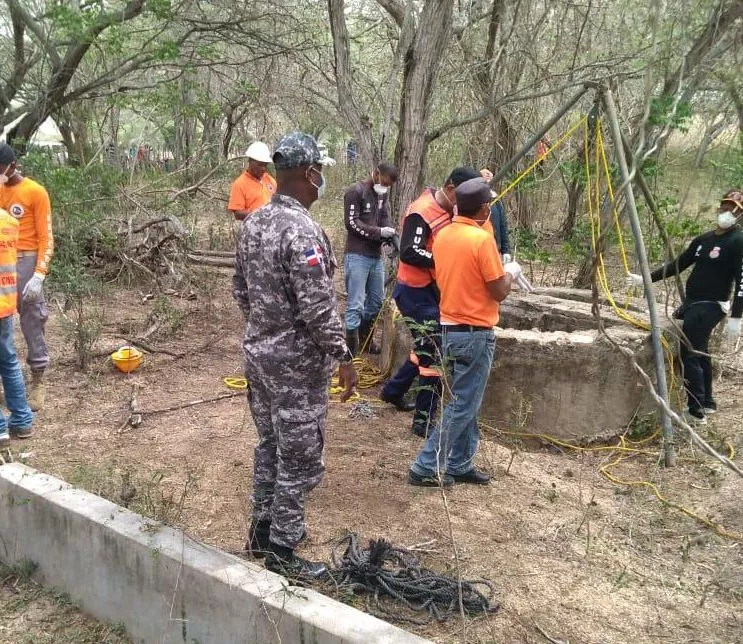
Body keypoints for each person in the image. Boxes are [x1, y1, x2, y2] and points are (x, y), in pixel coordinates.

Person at [232, 131, 357, 579]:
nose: (321, 179)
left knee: (270, 445)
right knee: (301, 456)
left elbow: (241, 293)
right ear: (308, 174)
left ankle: (262, 531)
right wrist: (343, 356)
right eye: (320, 171)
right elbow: (318, 307)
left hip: (259, 358)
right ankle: (282, 552)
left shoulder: (253, 224)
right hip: (296, 369)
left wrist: (267, 330)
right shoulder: (303, 230)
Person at [409, 178, 521, 487]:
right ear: (484, 208)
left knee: (465, 399)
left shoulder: (444, 234)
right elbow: (498, 291)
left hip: (450, 329)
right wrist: (510, 272)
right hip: (475, 332)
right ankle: (426, 465)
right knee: (464, 403)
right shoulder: (480, 240)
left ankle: (459, 462)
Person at [627, 189, 743, 425]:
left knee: (688, 349)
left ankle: (695, 409)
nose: (728, 212)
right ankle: (708, 402)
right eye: (726, 206)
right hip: (692, 303)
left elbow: (742, 278)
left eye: (735, 210)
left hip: (712, 305)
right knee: (700, 349)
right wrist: (647, 278)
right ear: (719, 207)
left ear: (740, 216)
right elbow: (679, 264)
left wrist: (736, 316)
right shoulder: (703, 240)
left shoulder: (738, 241)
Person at [380, 167, 481, 434]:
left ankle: (393, 390)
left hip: (432, 291)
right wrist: (444, 260)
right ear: (450, 190)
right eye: (463, 197)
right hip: (413, 292)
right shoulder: (422, 210)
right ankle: (423, 421)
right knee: (434, 353)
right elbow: (409, 252)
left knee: (429, 346)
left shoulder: (452, 212)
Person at [0, 144, 53, 411]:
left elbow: (46, 237)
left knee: (32, 320)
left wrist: (39, 274)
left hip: (26, 260)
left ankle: (38, 380)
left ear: (11, 164)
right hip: (1, 261)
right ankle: (8, 384)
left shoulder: (35, 192)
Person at [343, 162, 399, 355]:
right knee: (356, 303)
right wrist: (378, 232)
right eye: (383, 181)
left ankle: (365, 339)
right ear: (376, 173)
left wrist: (388, 233)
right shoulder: (355, 192)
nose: (384, 186)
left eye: (388, 185)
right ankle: (350, 351)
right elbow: (351, 223)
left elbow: (384, 217)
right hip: (357, 255)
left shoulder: (382, 195)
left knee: (376, 301)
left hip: (375, 257)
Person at [0, 205, 34, 447]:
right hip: (5, 301)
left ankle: (0, 429)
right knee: (8, 360)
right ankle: (22, 421)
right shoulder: (10, 222)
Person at [227, 141, 277, 220]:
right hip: (253, 229)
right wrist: (262, 214)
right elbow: (238, 214)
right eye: (260, 165)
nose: (263, 169)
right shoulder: (240, 184)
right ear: (250, 162)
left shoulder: (270, 180)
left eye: (265, 165)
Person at [480, 168, 512, 263]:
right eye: (484, 175)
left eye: (489, 175)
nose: (488, 175)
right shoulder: (472, 200)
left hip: (495, 250)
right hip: (479, 249)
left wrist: (506, 250)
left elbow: (503, 225)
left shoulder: (496, 199)